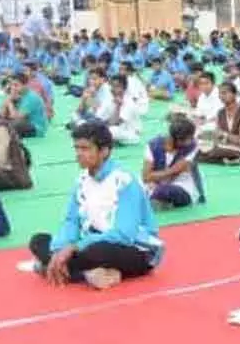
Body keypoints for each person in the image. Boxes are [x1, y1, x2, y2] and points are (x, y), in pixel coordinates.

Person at [27, 122, 164, 290]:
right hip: (93, 240)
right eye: (76, 148)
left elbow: (124, 234)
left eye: (85, 149)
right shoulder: (82, 180)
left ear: (104, 151)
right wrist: (60, 249)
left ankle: (61, 268)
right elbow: (71, 221)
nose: (78, 154)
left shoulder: (124, 182)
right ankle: (84, 272)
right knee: (39, 241)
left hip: (133, 248)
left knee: (96, 251)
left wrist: (75, 247)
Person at [142, 115, 206, 210]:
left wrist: (155, 178)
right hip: (152, 184)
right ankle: (158, 201)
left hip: (180, 184)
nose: (191, 140)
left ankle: (155, 200)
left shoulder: (192, 147)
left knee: (164, 191)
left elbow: (175, 172)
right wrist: (154, 179)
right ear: (176, 139)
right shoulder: (153, 145)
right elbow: (146, 177)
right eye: (189, 138)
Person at [197, 81, 240, 165]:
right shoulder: (220, 113)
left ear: (234, 94)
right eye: (220, 94)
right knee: (201, 151)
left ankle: (237, 158)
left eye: (225, 93)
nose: (222, 96)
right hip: (228, 146)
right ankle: (231, 159)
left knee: (213, 153)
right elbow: (217, 137)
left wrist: (223, 135)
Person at [0, 73, 49, 138]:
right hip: (23, 123)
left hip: (36, 128)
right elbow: (1, 115)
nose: (13, 88)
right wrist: (7, 100)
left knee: (13, 125)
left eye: (16, 85)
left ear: (25, 85)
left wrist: (9, 101)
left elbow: (16, 118)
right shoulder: (17, 95)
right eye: (11, 85)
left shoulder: (31, 97)